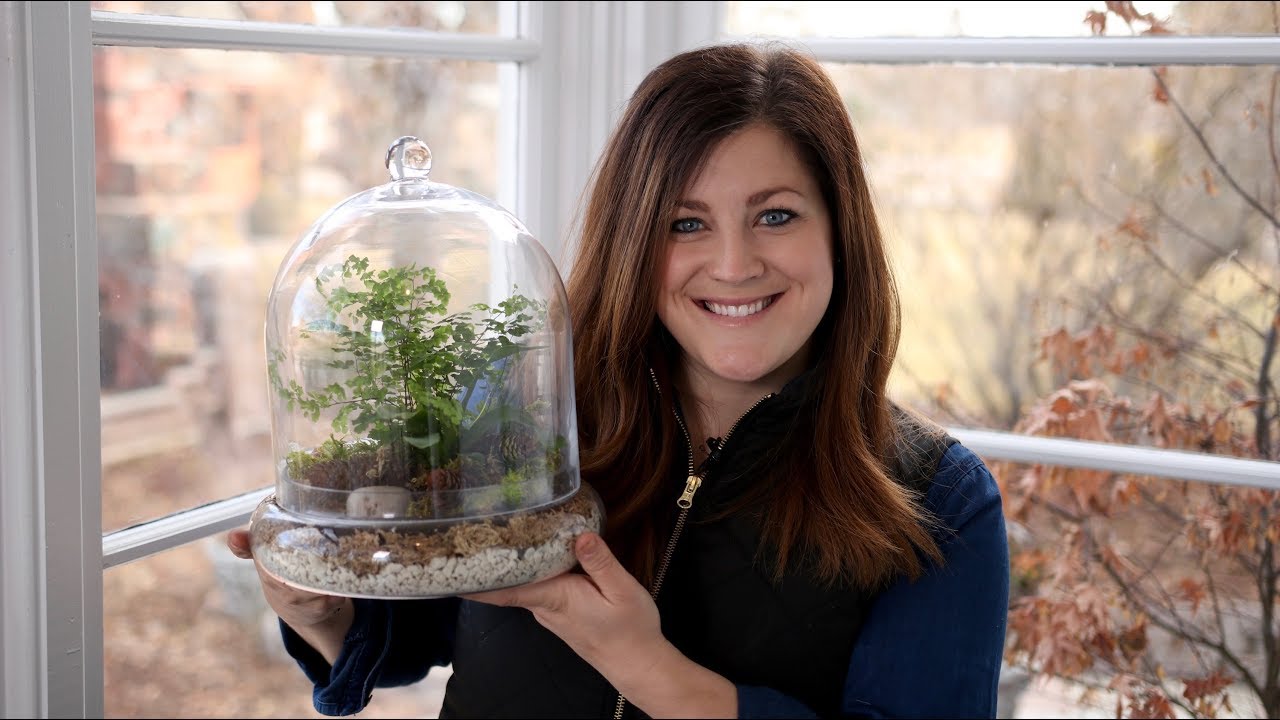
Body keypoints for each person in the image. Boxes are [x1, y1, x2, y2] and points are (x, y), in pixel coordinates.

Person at [227, 41, 1009, 719]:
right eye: (685, 223)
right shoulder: (520, 415)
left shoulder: (940, 500)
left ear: (840, 230)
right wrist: (321, 612)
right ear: (636, 237)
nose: (734, 265)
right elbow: (422, 628)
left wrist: (649, 668)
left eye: (775, 215)